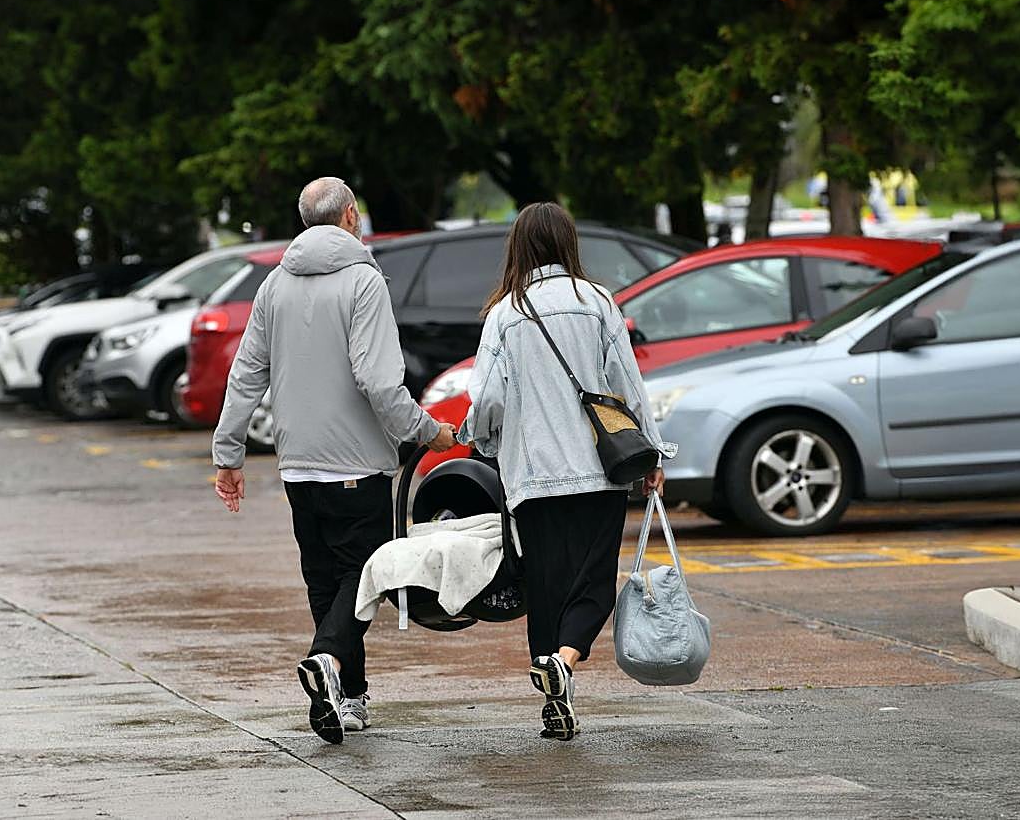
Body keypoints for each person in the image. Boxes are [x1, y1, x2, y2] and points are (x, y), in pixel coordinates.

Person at [210, 177, 456, 745]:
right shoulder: (364, 282)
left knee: (327, 581)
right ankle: (328, 660)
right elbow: (378, 379)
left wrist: (229, 454)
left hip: (298, 466)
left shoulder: (274, 284)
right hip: (356, 465)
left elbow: (246, 371)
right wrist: (425, 431)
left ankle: (347, 695)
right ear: (350, 216)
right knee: (362, 578)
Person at [457, 202, 676, 741]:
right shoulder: (597, 301)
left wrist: (483, 440)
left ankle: (554, 696)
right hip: (598, 470)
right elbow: (627, 382)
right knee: (595, 584)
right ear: (567, 244)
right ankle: (566, 662)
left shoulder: (504, 315)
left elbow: (487, 397)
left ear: (519, 248)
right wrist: (651, 453)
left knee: (547, 587)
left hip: (532, 477)